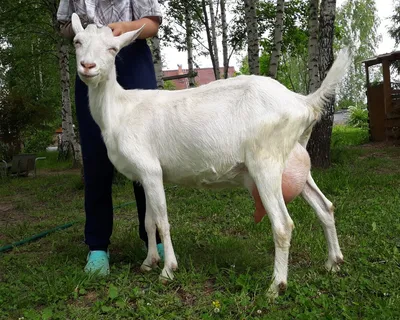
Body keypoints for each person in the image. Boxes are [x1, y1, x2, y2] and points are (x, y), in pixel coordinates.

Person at [57, 0, 163, 275]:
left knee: (145, 156)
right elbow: (65, 25)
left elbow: (152, 23)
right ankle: (98, 247)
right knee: (95, 156)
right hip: (90, 62)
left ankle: (156, 240)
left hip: (130, 59)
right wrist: (85, 33)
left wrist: (123, 29)